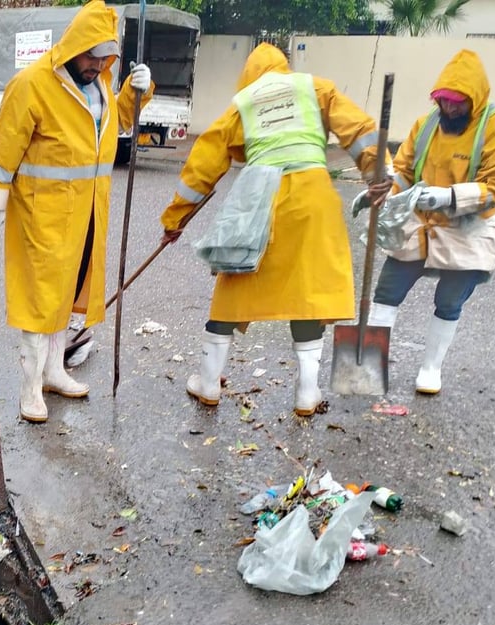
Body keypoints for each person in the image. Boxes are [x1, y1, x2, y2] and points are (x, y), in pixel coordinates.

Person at [159, 44, 389, 416]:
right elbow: (359, 130)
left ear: (249, 75)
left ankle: (208, 382)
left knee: (234, 285)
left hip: (258, 200)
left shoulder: (244, 102)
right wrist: (379, 172)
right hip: (313, 198)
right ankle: (306, 393)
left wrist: (176, 219)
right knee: (308, 291)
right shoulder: (315, 87)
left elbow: (204, 165)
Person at [0, 0, 152, 423]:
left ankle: (54, 371)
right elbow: (4, 144)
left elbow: (122, 121)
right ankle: (30, 389)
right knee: (41, 302)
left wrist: (135, 90)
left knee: (68, 297)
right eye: (91, 56)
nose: (96, 64)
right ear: (74, 47)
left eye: (104, 57)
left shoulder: (101, 87)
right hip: (44, 214)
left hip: (88, 213)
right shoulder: (33, 84)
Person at [367, 49, 495, 394]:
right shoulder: (426, 125)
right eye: (443, 101)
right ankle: (369, 367)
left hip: (468, 228)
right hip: (421, 223)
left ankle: (430, 370)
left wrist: (449, 197)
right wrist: (384, 194)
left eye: (457, 103)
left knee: (449, 300)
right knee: (387, 290)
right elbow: (405, 172)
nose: (449, 109)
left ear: (475, 98)